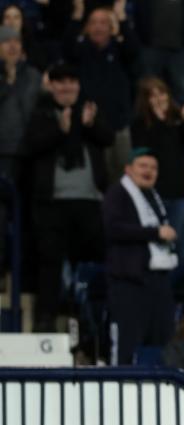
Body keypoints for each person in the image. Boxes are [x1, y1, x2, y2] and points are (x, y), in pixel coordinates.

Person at [21, 61, 113, 332]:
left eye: (71, 81)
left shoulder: (89, 110)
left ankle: (91, 321)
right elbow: (30, 146)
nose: (66, 87)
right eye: (60, 82)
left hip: (89, 202)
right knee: (49, 263)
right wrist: (59, 130)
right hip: (52, 203)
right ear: (52, 86)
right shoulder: (41, 113)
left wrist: (89, 125)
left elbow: (107, 138)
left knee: (96, 261)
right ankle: (46, 320)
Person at [102, 147, 178, 364]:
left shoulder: (153, 196)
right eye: (143, 166)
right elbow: (113, 228)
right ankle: (120, 389)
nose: (149, 171)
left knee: (162, 341)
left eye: (153, 167)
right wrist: (155, 233)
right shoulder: (117, 193)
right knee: (127, 342)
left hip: (157, 281)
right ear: (128, 169)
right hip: (129, 282)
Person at [62, 2, 140, 182]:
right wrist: (77, 14)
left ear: (111, 27)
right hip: (88, 126)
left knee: (123, 179)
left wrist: (121, 18)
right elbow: (66, 48)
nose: (98, 27)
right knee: (93, 179)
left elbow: (134, 51)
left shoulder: (120, 49)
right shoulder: (80, 50)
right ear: (87, 27)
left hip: (118, 124)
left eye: (103, 22)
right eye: (93, 22)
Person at [130, 76, 184, 271]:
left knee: (178, 244)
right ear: (145, 100)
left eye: (162, 93)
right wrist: (161, 121)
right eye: (153, 95)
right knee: (153, 244)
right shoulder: (139, 124)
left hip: (177, 192)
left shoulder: (177, 122)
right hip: (151, 194)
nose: (159, 98)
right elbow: (147, 152)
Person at [132, 0, 184, 103]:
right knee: (148, 89)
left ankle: (180, 118)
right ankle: (145, 118)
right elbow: (139, 16)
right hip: (150, 48)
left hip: (178, 50)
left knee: (180, 90)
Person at [0, 24, 41, 179]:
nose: (13, 46)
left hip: (31, 150)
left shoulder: (33, 75)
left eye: (17, 41)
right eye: (6, 41)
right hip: (3, 151)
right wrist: (7, 83)